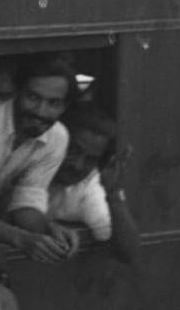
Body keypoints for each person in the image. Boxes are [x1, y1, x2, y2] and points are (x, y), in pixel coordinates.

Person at [0, 54, 75, 262]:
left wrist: (49, 232)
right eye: (33, 98)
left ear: (64, 108)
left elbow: (26, 203)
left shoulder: (57, 137)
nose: (41, 111)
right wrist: (22, 239)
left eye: (53, 103)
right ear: (16, 92)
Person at [47, 104, 139, 262]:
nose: (78, 165)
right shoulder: (32, 161)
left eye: (90, 159)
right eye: (73, 150)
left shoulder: (88, 186)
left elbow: (128, 254)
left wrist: (114, 194)